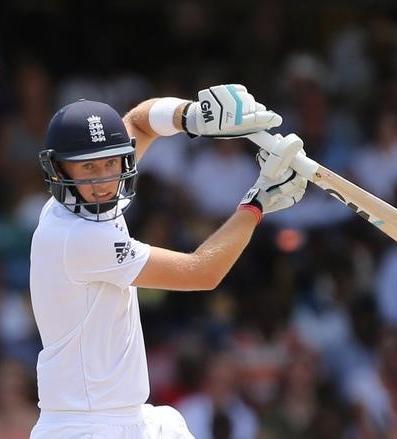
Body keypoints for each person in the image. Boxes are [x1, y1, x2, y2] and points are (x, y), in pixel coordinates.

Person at [29, 84, 308, 438]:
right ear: (60, 170)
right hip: (83, 428)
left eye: (111, 163)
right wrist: (259, 199)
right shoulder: (78, 236)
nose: (102, 182)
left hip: (131, 420)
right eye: (88, 169)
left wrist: (191, 116)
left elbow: (140, 122)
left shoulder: (85, 201)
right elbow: (201, 272)